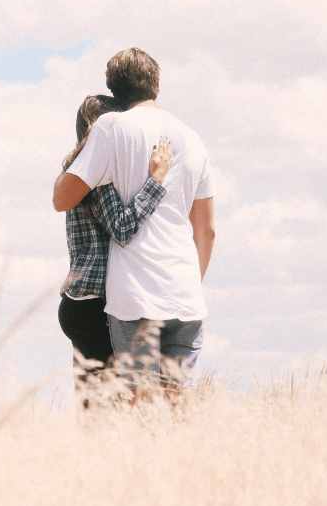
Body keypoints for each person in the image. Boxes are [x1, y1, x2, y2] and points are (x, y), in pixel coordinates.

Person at [53, 48, 216, 400]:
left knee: (134, 407)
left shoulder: (110, 129)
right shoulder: (193, 138)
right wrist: (190, 282)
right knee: (179, 405)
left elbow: (63, 200)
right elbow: (207, 230)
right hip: (185, 293)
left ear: (113, 90)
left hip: (134, 296)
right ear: (157, 83)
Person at [56, 94, 173, 405]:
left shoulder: (75, 171)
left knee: (93, 408)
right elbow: (121, 228)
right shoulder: (99, 175)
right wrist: (156, 181)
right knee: (112, 409)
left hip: (79, 302)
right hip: (96, 305)